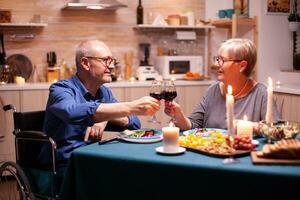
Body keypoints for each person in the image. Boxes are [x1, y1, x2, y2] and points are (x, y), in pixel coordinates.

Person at [39, 40, 160, 190]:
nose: (111, 65)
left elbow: (134, 123)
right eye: (105, 60)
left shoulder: (104, 92)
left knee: (137, 175)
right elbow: (71, 112)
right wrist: (127, 107)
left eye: (112, 61)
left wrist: (104, 118)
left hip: (91, 159)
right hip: (63, 165)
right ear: (85, 63)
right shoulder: (61, 89)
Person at [165, 38, 281, 131]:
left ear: (242, 66)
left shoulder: (261, 94)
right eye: (217, 59)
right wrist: (179, 115)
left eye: (222, 60)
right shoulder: (213, 90)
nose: (216, 64)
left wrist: (253, 127)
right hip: (210, 152)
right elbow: (194, 125)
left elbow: (277, 130)